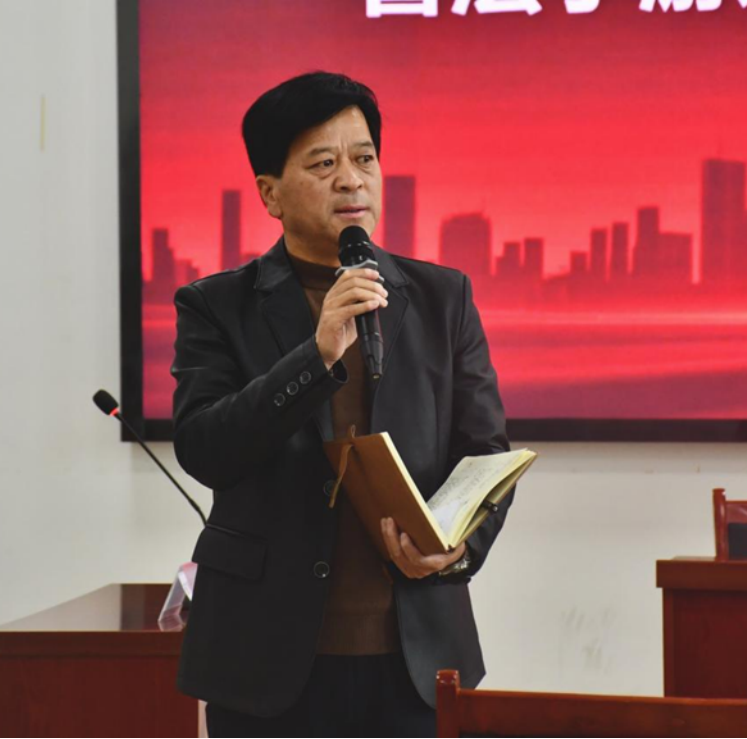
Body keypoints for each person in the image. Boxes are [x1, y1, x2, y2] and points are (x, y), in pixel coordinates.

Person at [172, 71, 512, 738]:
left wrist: (455, 548)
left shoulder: (442, 298)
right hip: (264, 662)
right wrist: (316, 355)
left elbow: (484, 456)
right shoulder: (215, 305)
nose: (351, 181)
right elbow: (205, 447)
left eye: (364, 158)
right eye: (323, 164)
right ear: (269, 192)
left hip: (417, 660)